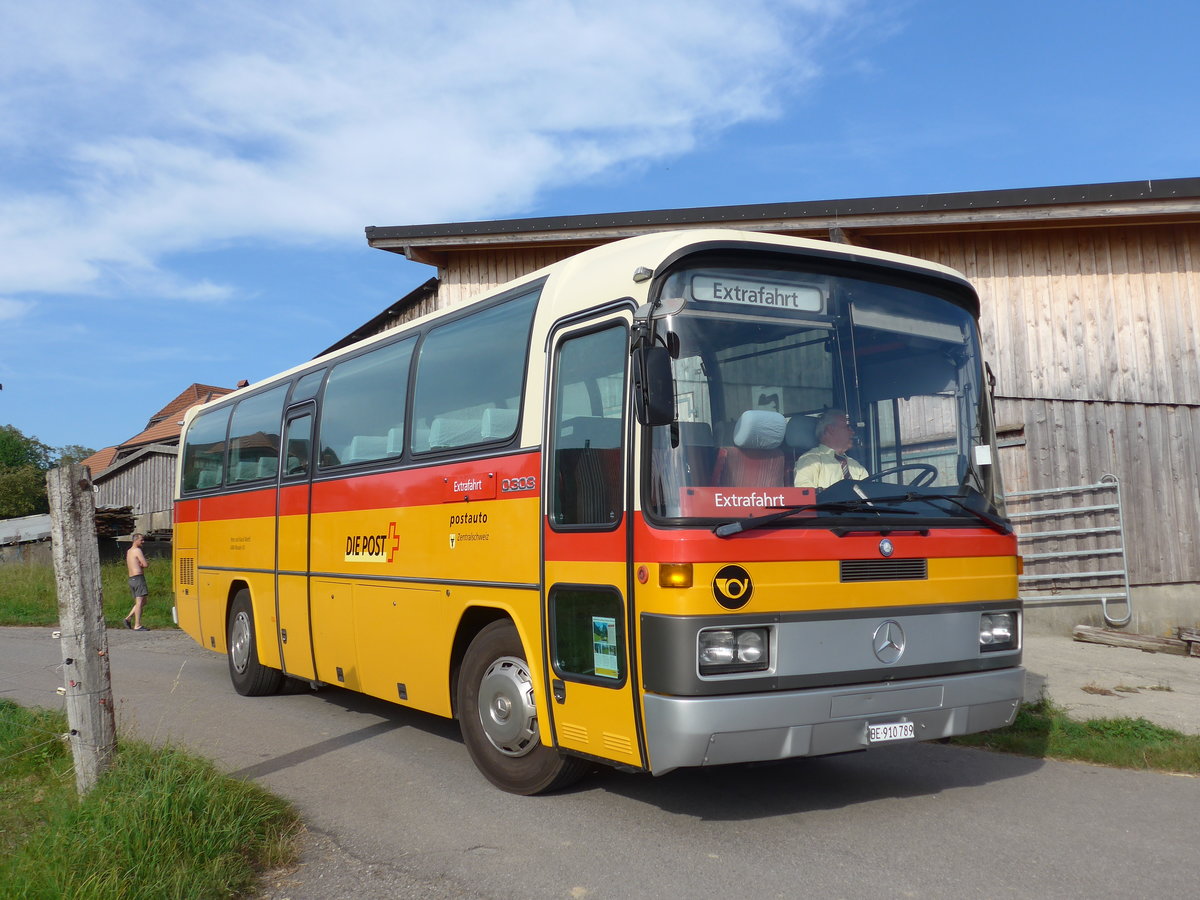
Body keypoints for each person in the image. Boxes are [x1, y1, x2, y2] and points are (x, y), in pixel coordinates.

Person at [793, 409, 868, 490]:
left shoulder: (856, 466)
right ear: (830, 429)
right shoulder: (811, 460)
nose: (852, 432)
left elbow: (870, 495)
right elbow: (804, 495)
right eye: (847, 427)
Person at [123, 533, 151, 631]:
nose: (143, 542)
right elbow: (145, 564)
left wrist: (140, 563)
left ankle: (128, 618)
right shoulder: (137, 550)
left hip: (131, 579)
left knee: (143, 601)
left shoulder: (129, 551)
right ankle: (137, 625)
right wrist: (143, 564)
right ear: (136, 540)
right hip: (138, 577)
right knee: (139, 602)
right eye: (141, 540)